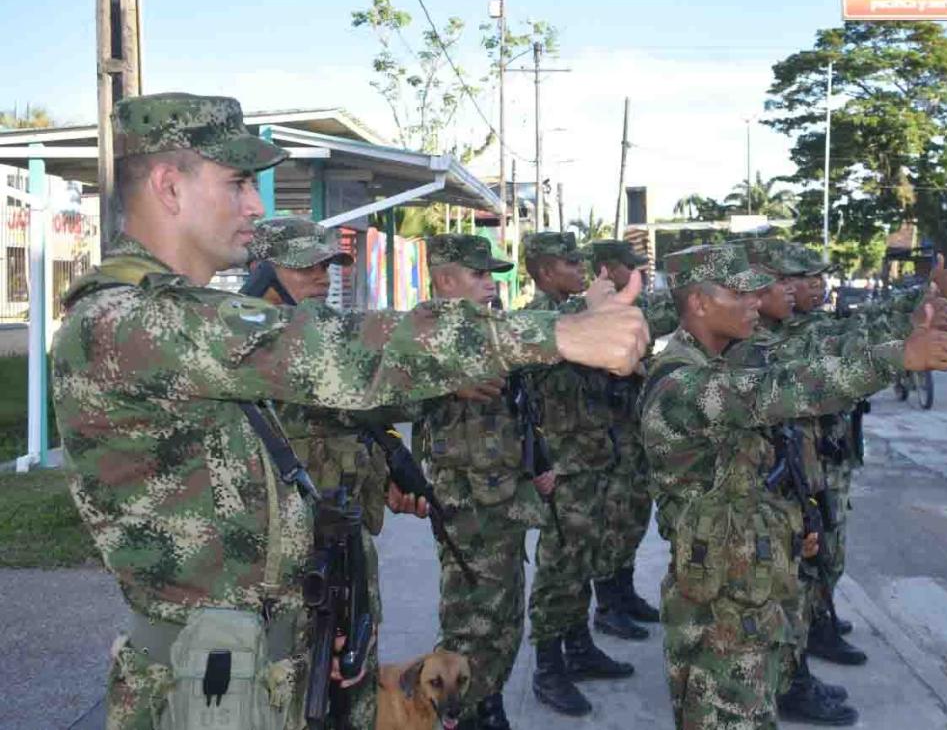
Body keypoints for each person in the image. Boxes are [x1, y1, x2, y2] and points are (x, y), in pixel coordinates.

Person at [50, 92, 651, 729]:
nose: (255, 205)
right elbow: (335, 347)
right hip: (214, 691)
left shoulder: (179, 318)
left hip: (272, 663)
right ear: (170, 186)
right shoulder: (129, 318)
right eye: (237, 182)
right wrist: (554, 334)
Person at [640, 243, 947, 730]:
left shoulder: (729, 359)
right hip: (718, 605)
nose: (755, 301)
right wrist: (898, 356)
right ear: (699, 303)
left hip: (750, 583)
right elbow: (779, 392)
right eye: (740, 292)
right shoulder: (680, 383)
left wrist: (789, 528)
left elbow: (752, 465)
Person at [244, 215, 393, 729]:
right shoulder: (247, 346)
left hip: (342, 547)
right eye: (306, 265)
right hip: (282, 571)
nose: (323, 276)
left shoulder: (312, 338)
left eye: (328, 264)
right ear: (262, 271)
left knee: (352, 692)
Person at [784, 245, 947, 669]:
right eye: (805, 277)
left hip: (832, 455)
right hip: (808, 464)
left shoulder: (816, 323)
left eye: (819, 277)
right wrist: (904, 339)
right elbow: (860, 339)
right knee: (812, 553)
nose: (816, 284)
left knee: (831, 546)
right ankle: (808, 636)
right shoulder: (782, 336)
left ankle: (818, 619)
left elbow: (866, 321)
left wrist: (923, 295)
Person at [413, 233, 553, 730]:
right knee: (469, 619)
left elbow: (521, 407)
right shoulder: (420, 336)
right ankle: (460, 714)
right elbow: (388, 399)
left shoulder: (492, 329)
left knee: (504, 615)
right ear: (446, 279)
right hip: (464, 505)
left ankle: (487, 699)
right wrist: (446, 382)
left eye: (491, 274)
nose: (490, 284)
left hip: (505, 500)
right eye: (479, 275)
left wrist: (539, 463)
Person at [521, 231, 634, 717]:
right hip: (562, 466)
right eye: (569, 262)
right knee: (559, 568)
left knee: (582, 559)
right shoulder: (537, 320)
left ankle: (578, 646)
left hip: (591, 458)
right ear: (546, 272)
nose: (580, 269)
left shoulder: (572, 313)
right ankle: (549, 667)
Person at [588, 239, 678, 640]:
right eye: (631, 268)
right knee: (613, 521)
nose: (638, 275)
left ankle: (623, 594)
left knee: (631, 518)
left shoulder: (619, 308)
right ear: (607, 269)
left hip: (629, 433)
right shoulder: (592, 311)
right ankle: (608, 605)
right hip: (605, 440)